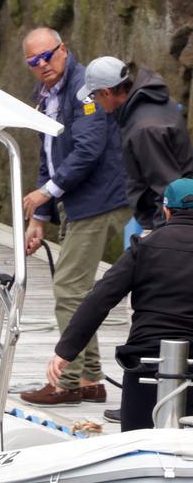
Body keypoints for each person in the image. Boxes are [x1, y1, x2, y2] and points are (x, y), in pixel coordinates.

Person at [18, 29, 131, 407]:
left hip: (96, 201)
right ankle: (90, 378)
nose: (43, 65)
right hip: (74, 202)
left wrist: (46, 193)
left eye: (48, 56)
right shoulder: (46, 95)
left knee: (68, 289)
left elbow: (87, 151)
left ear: (63, 49)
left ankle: (65, 381)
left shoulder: (85, 88)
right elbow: (46, 156)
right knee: (79, 293)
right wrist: (40, 217)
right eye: (34, 61)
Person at [46, 177, 193, 430]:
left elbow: (100, 298)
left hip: (147, 361)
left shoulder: (144, 247)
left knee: (136, 440)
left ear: (167, 211)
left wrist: (66, 350)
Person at [77, 56, 193, 231]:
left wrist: (159, 239)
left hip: (165, 223)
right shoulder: (147, 103)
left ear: (106, 92)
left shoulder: (144, 129)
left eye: (94, 95)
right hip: (156, 217)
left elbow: (168, 191)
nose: (94, 102)